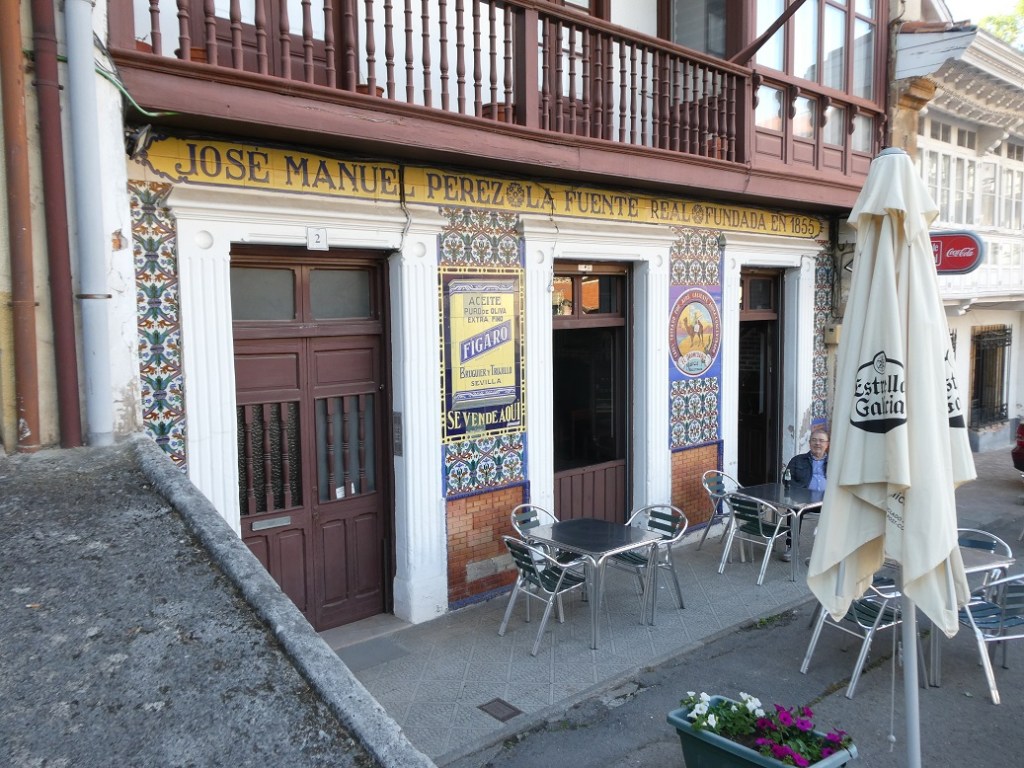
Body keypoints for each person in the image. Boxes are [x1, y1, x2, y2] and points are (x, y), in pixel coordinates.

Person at [780, 428, 829, 561]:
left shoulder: (835, 462)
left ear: (827, 444)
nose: (817, 443)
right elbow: (787, 479)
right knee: (793, 510)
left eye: (821, 440)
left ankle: (831, 548)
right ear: (809, 443)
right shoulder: (798, 460)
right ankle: (792, 546)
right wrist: (800, 494)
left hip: (828, 501)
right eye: (814, 440)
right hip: (804, 501)